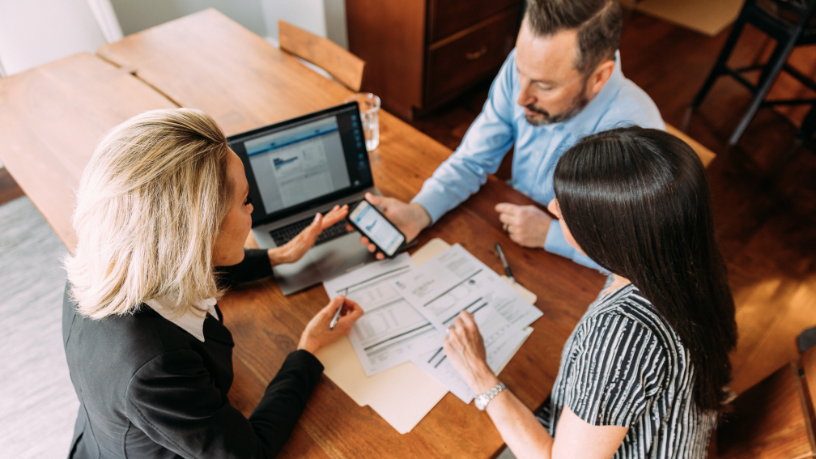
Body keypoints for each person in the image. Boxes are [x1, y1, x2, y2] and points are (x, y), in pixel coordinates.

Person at [62, 108, 363, 458]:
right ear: (196, 234)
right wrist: (307, 351)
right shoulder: (157, 367)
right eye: (245, 201)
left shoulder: (104, 258)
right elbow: (249, 454)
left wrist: (277, 257)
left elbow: (189, 265)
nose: (252, 210)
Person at [442, 127, 738, 458]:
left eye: (568, 209)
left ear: (609, 238)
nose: (553, 207)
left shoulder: (622, 336)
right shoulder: (685, 255)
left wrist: (480, 376)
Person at [357, 0, 663, 270]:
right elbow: (472, 160)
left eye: (545, 85)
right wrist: (419, 212)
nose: (521, 97)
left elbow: (642, 253)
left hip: (578, 272)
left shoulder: (639, 134)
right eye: (520, 72)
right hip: (509, 234)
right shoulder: (527, 68)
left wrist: (551, 235)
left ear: (599, 77)